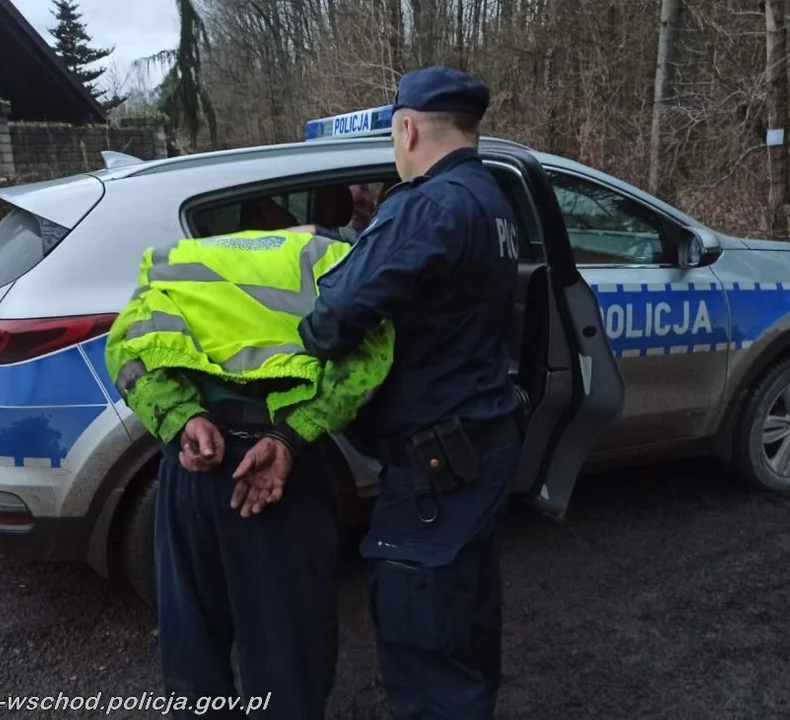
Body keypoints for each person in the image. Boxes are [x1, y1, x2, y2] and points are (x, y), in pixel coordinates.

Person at [297, 65, 523, 719]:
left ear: (407, 128)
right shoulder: (491, 197)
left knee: (424, 653)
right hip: (481, 447)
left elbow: (328, 323)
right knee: (467, 626)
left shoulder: (426, 205)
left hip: (434, 469)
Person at [104, 227, 395, 719]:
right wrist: (293, 434)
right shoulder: (336, 258)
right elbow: (371, 354)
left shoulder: (177, 258)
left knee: (193, 644)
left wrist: (182, 419)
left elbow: (124, 350)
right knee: (289, 652)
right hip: (281, 473)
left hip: (193, 470)